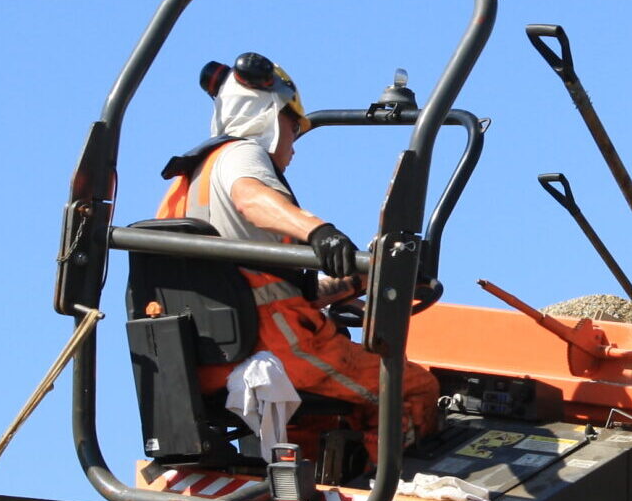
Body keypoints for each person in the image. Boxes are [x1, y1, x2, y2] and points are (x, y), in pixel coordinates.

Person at [157, 51, 441, 450]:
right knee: (413, 389)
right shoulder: (243, 156)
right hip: (276, 351)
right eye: (295, 125)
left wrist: (358, 281)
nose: (296, 141)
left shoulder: (192, 180)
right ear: (273, 115)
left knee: (323, 420)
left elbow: (262, 290)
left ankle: (307, 497)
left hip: (215, 362)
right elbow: (250, 197)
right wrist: (320, 233)